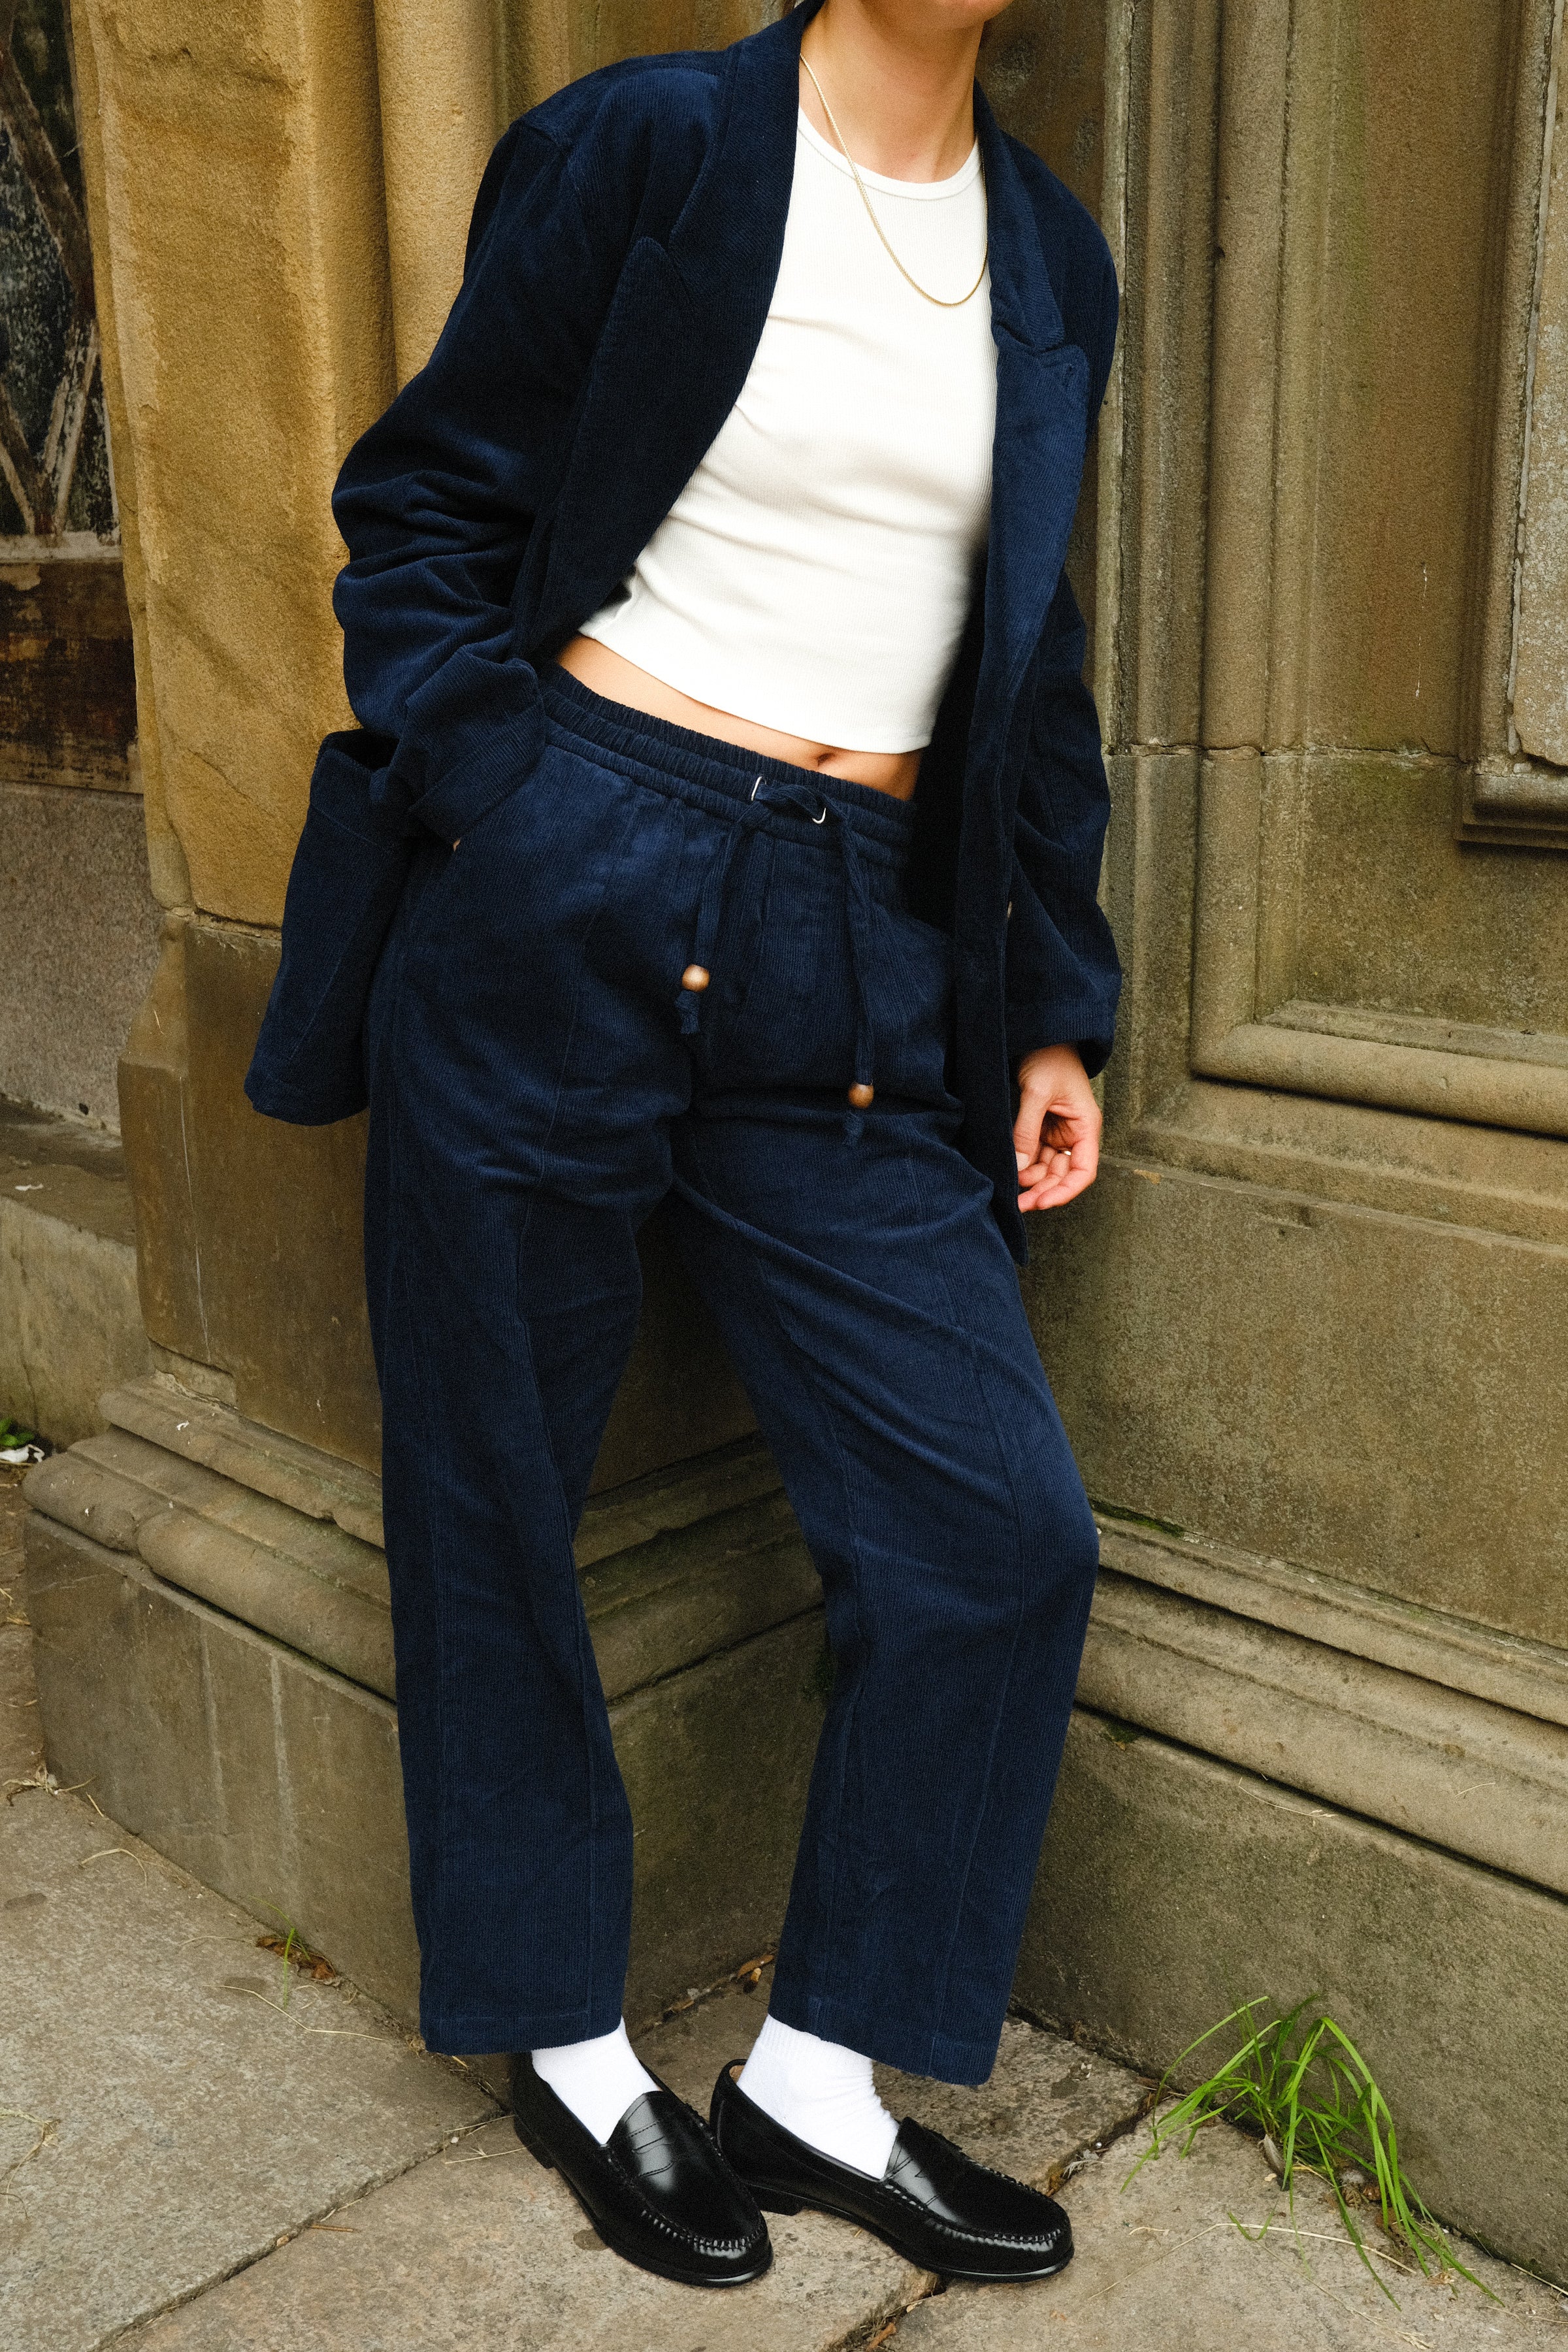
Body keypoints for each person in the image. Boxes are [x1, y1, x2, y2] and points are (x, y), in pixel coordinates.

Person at [247, 0, 1120, 2295]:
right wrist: (504, 788)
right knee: (494, 1483)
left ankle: (818, 2084)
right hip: (571, 877)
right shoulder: (647, 148)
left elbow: (1031, 661)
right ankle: (564, 2036)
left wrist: (1052, 1000)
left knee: (997, 1527)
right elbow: (425, 506)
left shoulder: (1053, 258)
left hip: (863, 938)